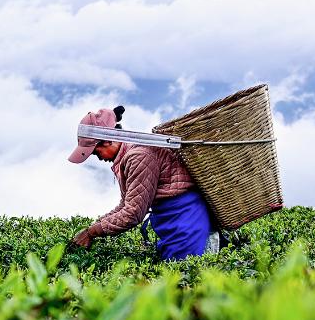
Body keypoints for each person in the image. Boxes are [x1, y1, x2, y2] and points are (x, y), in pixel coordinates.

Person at [68, 105, 213, 261]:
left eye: (96, 153)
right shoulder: (129, 154)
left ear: (108, 141)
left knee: (187, 271)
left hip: (185, 220)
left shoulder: (138, 156)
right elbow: (125, 204)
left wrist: (91, 233)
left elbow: (133, 213)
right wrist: (93, 227)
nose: (100, 158)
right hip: (172, 220)